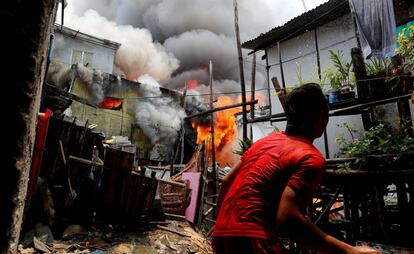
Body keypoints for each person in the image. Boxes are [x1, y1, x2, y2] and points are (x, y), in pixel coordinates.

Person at [213, 84, 379, 254]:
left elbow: (226, 181)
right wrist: (348, 250)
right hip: (253, 238)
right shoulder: (310, 157)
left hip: (221, 234)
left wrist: (224, 227)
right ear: (321, 116)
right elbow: (287, 218)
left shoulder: (264, 143)